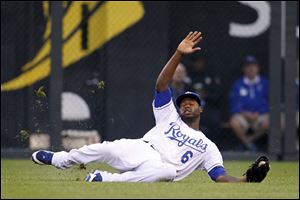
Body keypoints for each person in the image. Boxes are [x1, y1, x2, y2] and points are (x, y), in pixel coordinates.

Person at [32, 31, 269, 183]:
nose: (186, 105)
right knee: (105, 148)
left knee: (167, 173)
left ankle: (104, 180)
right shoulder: (169, 116)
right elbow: (161, 85)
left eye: (192, 103)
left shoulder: (208, 147)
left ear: (201, 109)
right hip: (142, 148)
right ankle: (60, 159)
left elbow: (220, 177)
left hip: (160, 166)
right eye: (183, 103)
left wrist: (246, 180)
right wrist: (178, 54)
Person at [229, 55, 269, 152]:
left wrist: (258, 113)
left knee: (269, 122)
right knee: (234, 122)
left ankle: (250, 140)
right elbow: (233, 103)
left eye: (253, 66)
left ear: (258, 68)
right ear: (244, 69)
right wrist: (244, 113)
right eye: (248, 66)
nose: (251, 68)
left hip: (260, 115)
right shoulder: (237, 84)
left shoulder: (265, 83)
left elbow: (270, 102)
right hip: (243, 115)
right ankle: (248, 144)